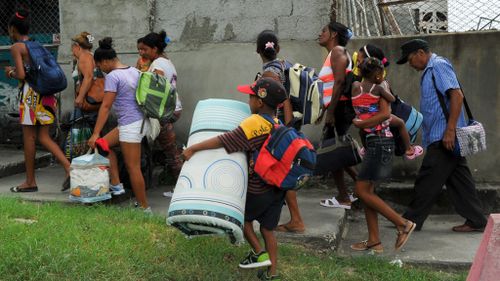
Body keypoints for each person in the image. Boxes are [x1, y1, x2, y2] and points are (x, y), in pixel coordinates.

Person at [182, 78, 287, 281]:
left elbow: (224, 140)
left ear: (260, 102)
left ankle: (258, 252)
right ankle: (272, 273)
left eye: (251, 96)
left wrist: (193, 148)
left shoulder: (255, 122)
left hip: (258, 188)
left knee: (243, 220)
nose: (248, 100)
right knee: (268, 229)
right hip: (277, 188)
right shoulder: (277, 123)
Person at [397, 39, 487, 232]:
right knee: (459, 181)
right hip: (440, 136)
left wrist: (450, 130)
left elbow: (457, 95)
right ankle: (477, 220)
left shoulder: (438, 66)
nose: (411, 65)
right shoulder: (430, 70)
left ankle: (410, 220)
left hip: (444, 136)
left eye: (410, 59)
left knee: (427, 178)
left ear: (421, 53)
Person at [350, 57, 416, 253]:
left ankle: (402, 224)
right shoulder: (380, 88)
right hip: (378, 141)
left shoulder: (355, 86)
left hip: (377, 142)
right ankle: (375, 241)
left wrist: (361, 124)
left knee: (363, 191)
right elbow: (387, 113)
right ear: (378, 74)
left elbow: (382, 114)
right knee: (367, 192)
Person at [4, 10, 71, 193]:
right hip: (47, 95)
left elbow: (22, 75)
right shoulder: (38, 45)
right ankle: (69, 168)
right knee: (43, 136)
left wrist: (10, 72)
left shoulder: (17, 47)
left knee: (29, 138)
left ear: (12, 29)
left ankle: (30, 181)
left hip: (32, 96)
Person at [87, 37, 150, 212]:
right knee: (103, 145)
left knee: (133, 168)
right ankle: (117, 184)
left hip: (131, 125)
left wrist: (95, 133)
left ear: (106, 61)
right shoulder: (133, 70)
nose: (100, 70)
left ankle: (145, 208)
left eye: (99, 66)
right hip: (136, 122)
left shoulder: (113, 76)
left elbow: (105, 107)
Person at [253, 30, 304, 234]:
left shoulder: (269, 73)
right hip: (288, 124)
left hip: (280, 126)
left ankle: (296, 220)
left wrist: (285, 127)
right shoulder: (285, 64)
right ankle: (286, 216)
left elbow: (283, 99)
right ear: (278, 48)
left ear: (258, 50)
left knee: (283, 170)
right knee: (281, 169)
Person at [317, 21, 359, 209]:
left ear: (333, 34)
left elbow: (340, 82)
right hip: (336, 108)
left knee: (333, 153)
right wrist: (324, 110)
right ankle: (361, 188)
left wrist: (331, 112)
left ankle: (344, 197)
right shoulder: (334, 54)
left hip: (340, 109)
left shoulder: (337, 52)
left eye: (323, 30)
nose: (320, 33)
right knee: (336, 152)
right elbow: (331, 85)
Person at [356, 44, 423, 160]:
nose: (357, 64)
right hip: (377, 117)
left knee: (363, 131)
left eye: (360, 61)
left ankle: (408, 148)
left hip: (378, 117)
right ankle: (409, 149)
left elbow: (386, 108)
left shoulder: (372, 84)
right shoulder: (374, 83)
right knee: (399, 123)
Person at [137, 31, 183, 182]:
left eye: (145, 49)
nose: (142, 52)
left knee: (171, 152)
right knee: (170, 149)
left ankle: (181, 187)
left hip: (164, 111)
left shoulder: (158, 65)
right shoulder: (166, 61)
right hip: (172, 109)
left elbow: (156, 90)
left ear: (155, 49)